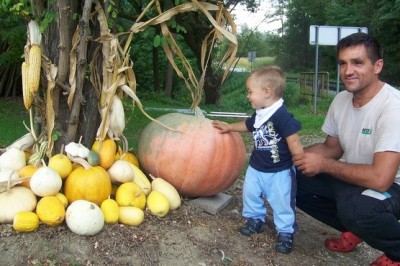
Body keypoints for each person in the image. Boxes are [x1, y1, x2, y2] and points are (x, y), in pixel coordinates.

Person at [293, 32, 400, 266]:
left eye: (358, 62)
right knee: (292, 176)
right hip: (358, 178)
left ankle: (396, 254)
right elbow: (332, 148)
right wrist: (291, 156)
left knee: (360, 210)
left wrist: (323, 165)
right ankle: (357, 230)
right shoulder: (341, 99)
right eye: (343, 63)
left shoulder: (393, 107)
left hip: (392, 187)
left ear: (377, 65)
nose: (348, 70)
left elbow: (381, 179)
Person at [212, 66, 304, 254]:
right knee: (251, 194)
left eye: (250, 92)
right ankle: (255, 219)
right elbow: (248, 125)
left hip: (279, 170)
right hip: (256, 167)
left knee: (282, 201)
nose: (248, 96)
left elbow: (293, 138)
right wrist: (229, 127)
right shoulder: (261, 113)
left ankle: (285, 232)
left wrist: (299, 158)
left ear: (267, 92)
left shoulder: (281, 115)